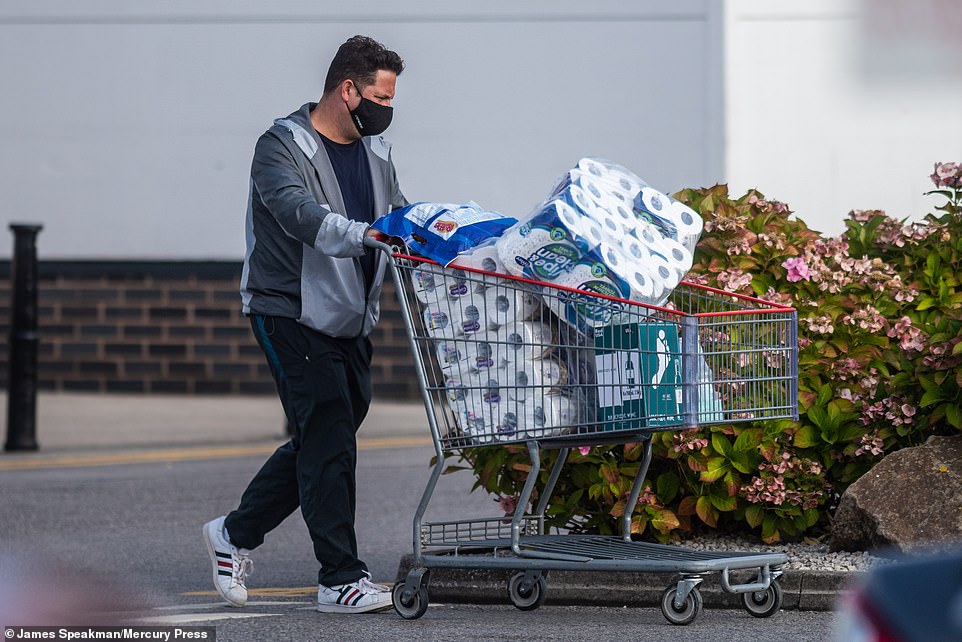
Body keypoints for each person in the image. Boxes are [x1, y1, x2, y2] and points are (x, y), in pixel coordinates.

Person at [203, 35, 407, 614]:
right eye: (381, 96)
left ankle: (234, 533)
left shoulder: (379, 153)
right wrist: (364, 233)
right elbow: (298, 212)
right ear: (348, 90)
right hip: (288, 310)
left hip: (348, 316)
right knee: (329, 435)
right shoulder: (280, 146)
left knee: (329, 434)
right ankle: (339, 578)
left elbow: (397, 212)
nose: (387, 110)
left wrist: (439, 238)